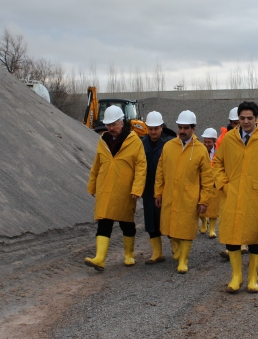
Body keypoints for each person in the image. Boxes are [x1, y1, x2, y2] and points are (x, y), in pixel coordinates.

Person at [213, 102, 258, 293]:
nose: (246, 122)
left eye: (249, 118)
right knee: (232, 233)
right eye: (242, 118)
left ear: (256, 119)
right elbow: (217, 162)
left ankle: (253, 277)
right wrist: (222, 182)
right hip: (232, 193)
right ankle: (236, 276)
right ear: (238, 119)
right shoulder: (229, 139)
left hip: (257, 195)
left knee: (255, 236)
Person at [85, 105, 147, 271]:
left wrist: (137, 189)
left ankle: (129, 254)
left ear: (122, 123)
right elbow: (96, 165)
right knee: (103, 222)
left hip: (124, 190)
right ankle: (100, 258)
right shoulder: (103, 140)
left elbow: (141, 166)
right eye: (108, 124)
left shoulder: (134, 142)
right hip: (105, 187)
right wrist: (92, 185)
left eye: (114, 124)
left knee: (126, 223)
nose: (110, 128)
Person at [154, 110, 214, 274]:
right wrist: (158, 193)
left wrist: (203, 201)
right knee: (170, 225)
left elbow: (208, 179)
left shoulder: (200, 150)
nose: (182, 131)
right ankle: (176, 248)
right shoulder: (168, 146)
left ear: (193, 129)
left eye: (186, 128)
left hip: (189, 197)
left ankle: (183, 260)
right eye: (180, 127)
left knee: (186, 229)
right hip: (169, 194)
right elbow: (160, 171)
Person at [140, 111, 176, 264]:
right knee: (151, 220)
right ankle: (157, 253)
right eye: (150, 128)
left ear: (162, 127)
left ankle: (176, 249)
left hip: (167, 187)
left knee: (168, 218)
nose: (153, 132)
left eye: (156, 128)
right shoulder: (142, 143)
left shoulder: (171, 142)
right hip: (148, 187)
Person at [199, 127, 221, 238]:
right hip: (202, 181)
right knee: (201, 203)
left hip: (214, 183)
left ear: (214, 141)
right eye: (205, 141)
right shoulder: (199, 151)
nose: (206, 144)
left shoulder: (219, 152)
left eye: (209, 142)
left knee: (214, 206)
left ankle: (212, 229)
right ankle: (203, 222)